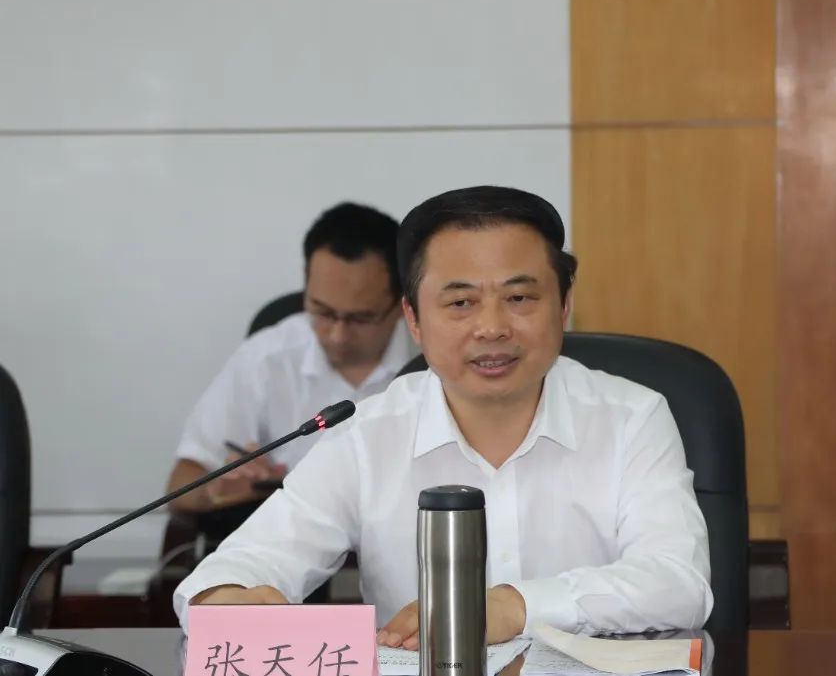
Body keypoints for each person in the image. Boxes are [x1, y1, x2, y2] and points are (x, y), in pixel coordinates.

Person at [174, 186, 712, 642]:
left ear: (564, 304)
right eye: (460, 303)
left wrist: (514, 607)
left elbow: (679, 582)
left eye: (520, 299)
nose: (492, 327)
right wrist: (224, 599)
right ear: (412, 318)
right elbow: (235, 568)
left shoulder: (632, 417)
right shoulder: (366, 434)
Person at [166, 202, 412, 512]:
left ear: (402, 305)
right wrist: (217, 492)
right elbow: (181, 483)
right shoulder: (267, 358)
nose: (337, 335)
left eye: (360, 318)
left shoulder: (438, 360)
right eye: (322, 312)